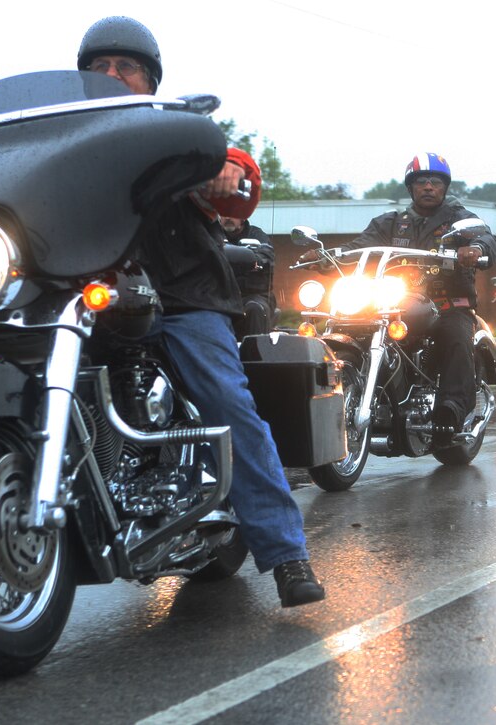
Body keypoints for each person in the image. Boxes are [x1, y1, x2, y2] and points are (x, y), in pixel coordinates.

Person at [78, 16, 324, 607]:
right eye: (99, 68)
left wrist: (222, 168)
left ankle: (286, 552)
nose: (111, 76)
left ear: (150, 79)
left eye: (125, 67)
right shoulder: (61, 139)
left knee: (223, 397)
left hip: (180, 293)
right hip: (86, 295)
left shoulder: (171, 130)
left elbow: (222, 164)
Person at [303, 152, 496, 445]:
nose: (429, 187)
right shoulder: (392, 222)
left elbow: (488, 240)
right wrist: (324, 258)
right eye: (421, 182)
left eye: (435, 181)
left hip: (446, 304)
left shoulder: (460, 218)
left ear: (444, 187)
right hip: (395, 301)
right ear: (411, 188)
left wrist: (476, 249)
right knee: (349, 323)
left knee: (457, 336)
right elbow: (357, 248)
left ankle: (451, 410)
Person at [220, 201, 277, 337]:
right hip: (218, 296)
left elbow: (266, 257)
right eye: (224, 213)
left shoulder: (256, 235)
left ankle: (255, 354)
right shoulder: (211, 235)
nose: (228, 217)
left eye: (232, 213)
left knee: (254, 308)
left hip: (252, 295)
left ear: (243, 216)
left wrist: (252, 258)